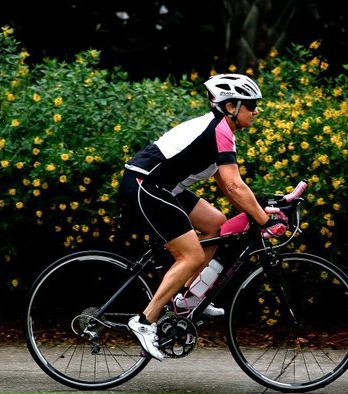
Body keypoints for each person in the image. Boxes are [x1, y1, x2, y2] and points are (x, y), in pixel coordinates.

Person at [119, 73, 287, 361]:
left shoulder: (220, 130)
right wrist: (265, 221)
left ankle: (187, 297)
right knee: (192, 256)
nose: (255, 111)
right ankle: (145, 321)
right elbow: (234, 186)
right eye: (250, 105)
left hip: (162, 187)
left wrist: (259, 209)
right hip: (145, 185)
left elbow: (229, 187)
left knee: (216, 224)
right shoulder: (219, 130)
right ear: (231, 106)